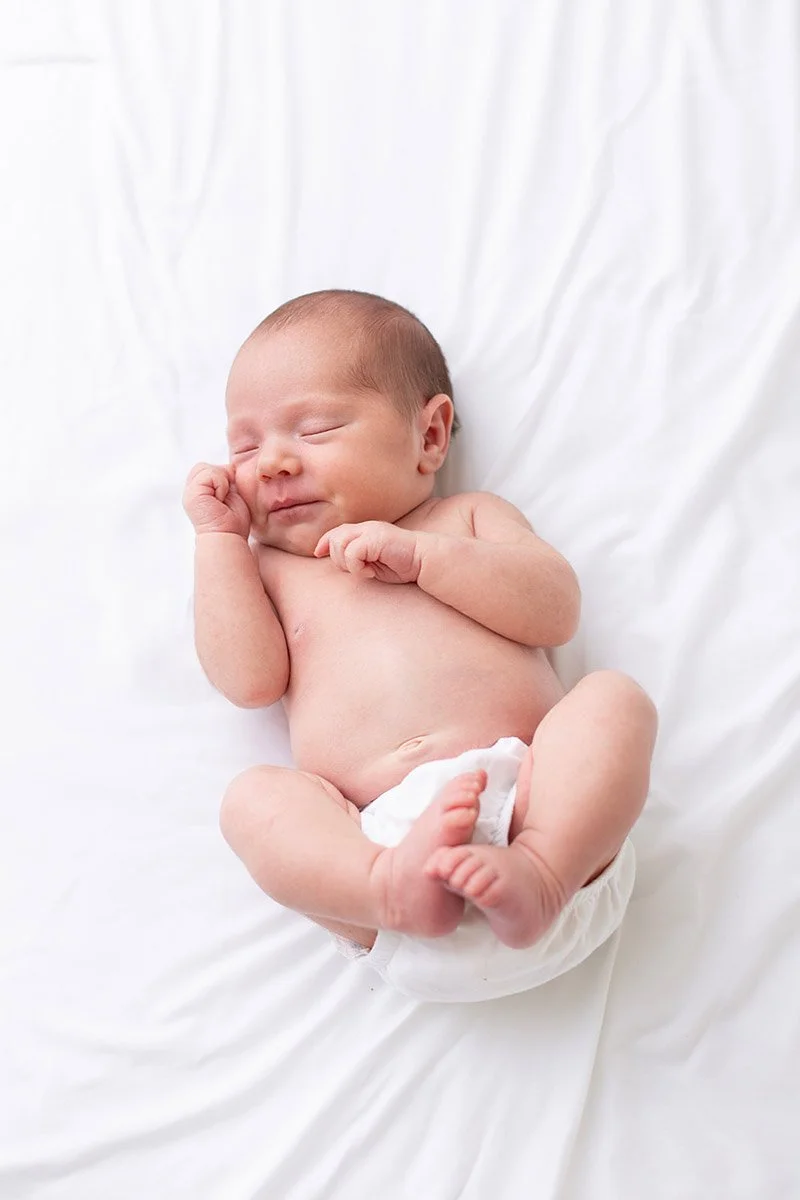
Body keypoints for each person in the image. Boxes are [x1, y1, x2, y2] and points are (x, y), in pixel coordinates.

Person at [183, 289, 657, 1002]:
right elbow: (246, 680)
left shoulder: (464, 520)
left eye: (312, 430)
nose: (271, 464)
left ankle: (541, 871)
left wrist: (424, 561)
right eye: (243, 447)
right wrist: (219, 541)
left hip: (544, 817)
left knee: (614, 702)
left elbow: (556, 609)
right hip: (387, 855)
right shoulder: (271, 571)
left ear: (430, 437)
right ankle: (380, 890)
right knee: (251, 802)